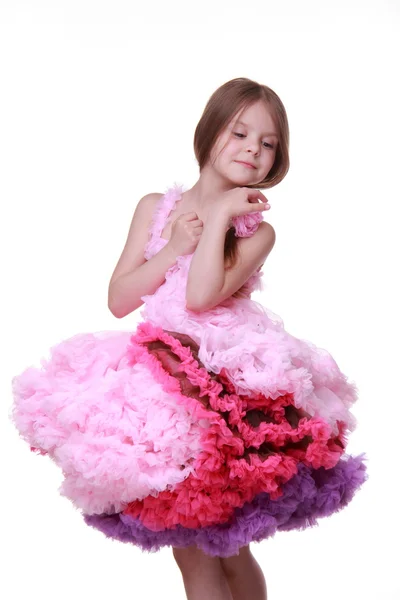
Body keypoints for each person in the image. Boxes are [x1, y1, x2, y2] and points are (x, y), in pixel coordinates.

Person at [11, 77, 367, 600]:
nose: (253, 148)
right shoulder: (155, 206)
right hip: (161, 380)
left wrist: (223, 213)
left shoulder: (257, 230)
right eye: (240, 133)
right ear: (209, 132)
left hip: (225, 379)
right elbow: (119, 298)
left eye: (268, 143)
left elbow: (202, 297)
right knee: (201, 549)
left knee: (222, 547)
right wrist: (174, 243)